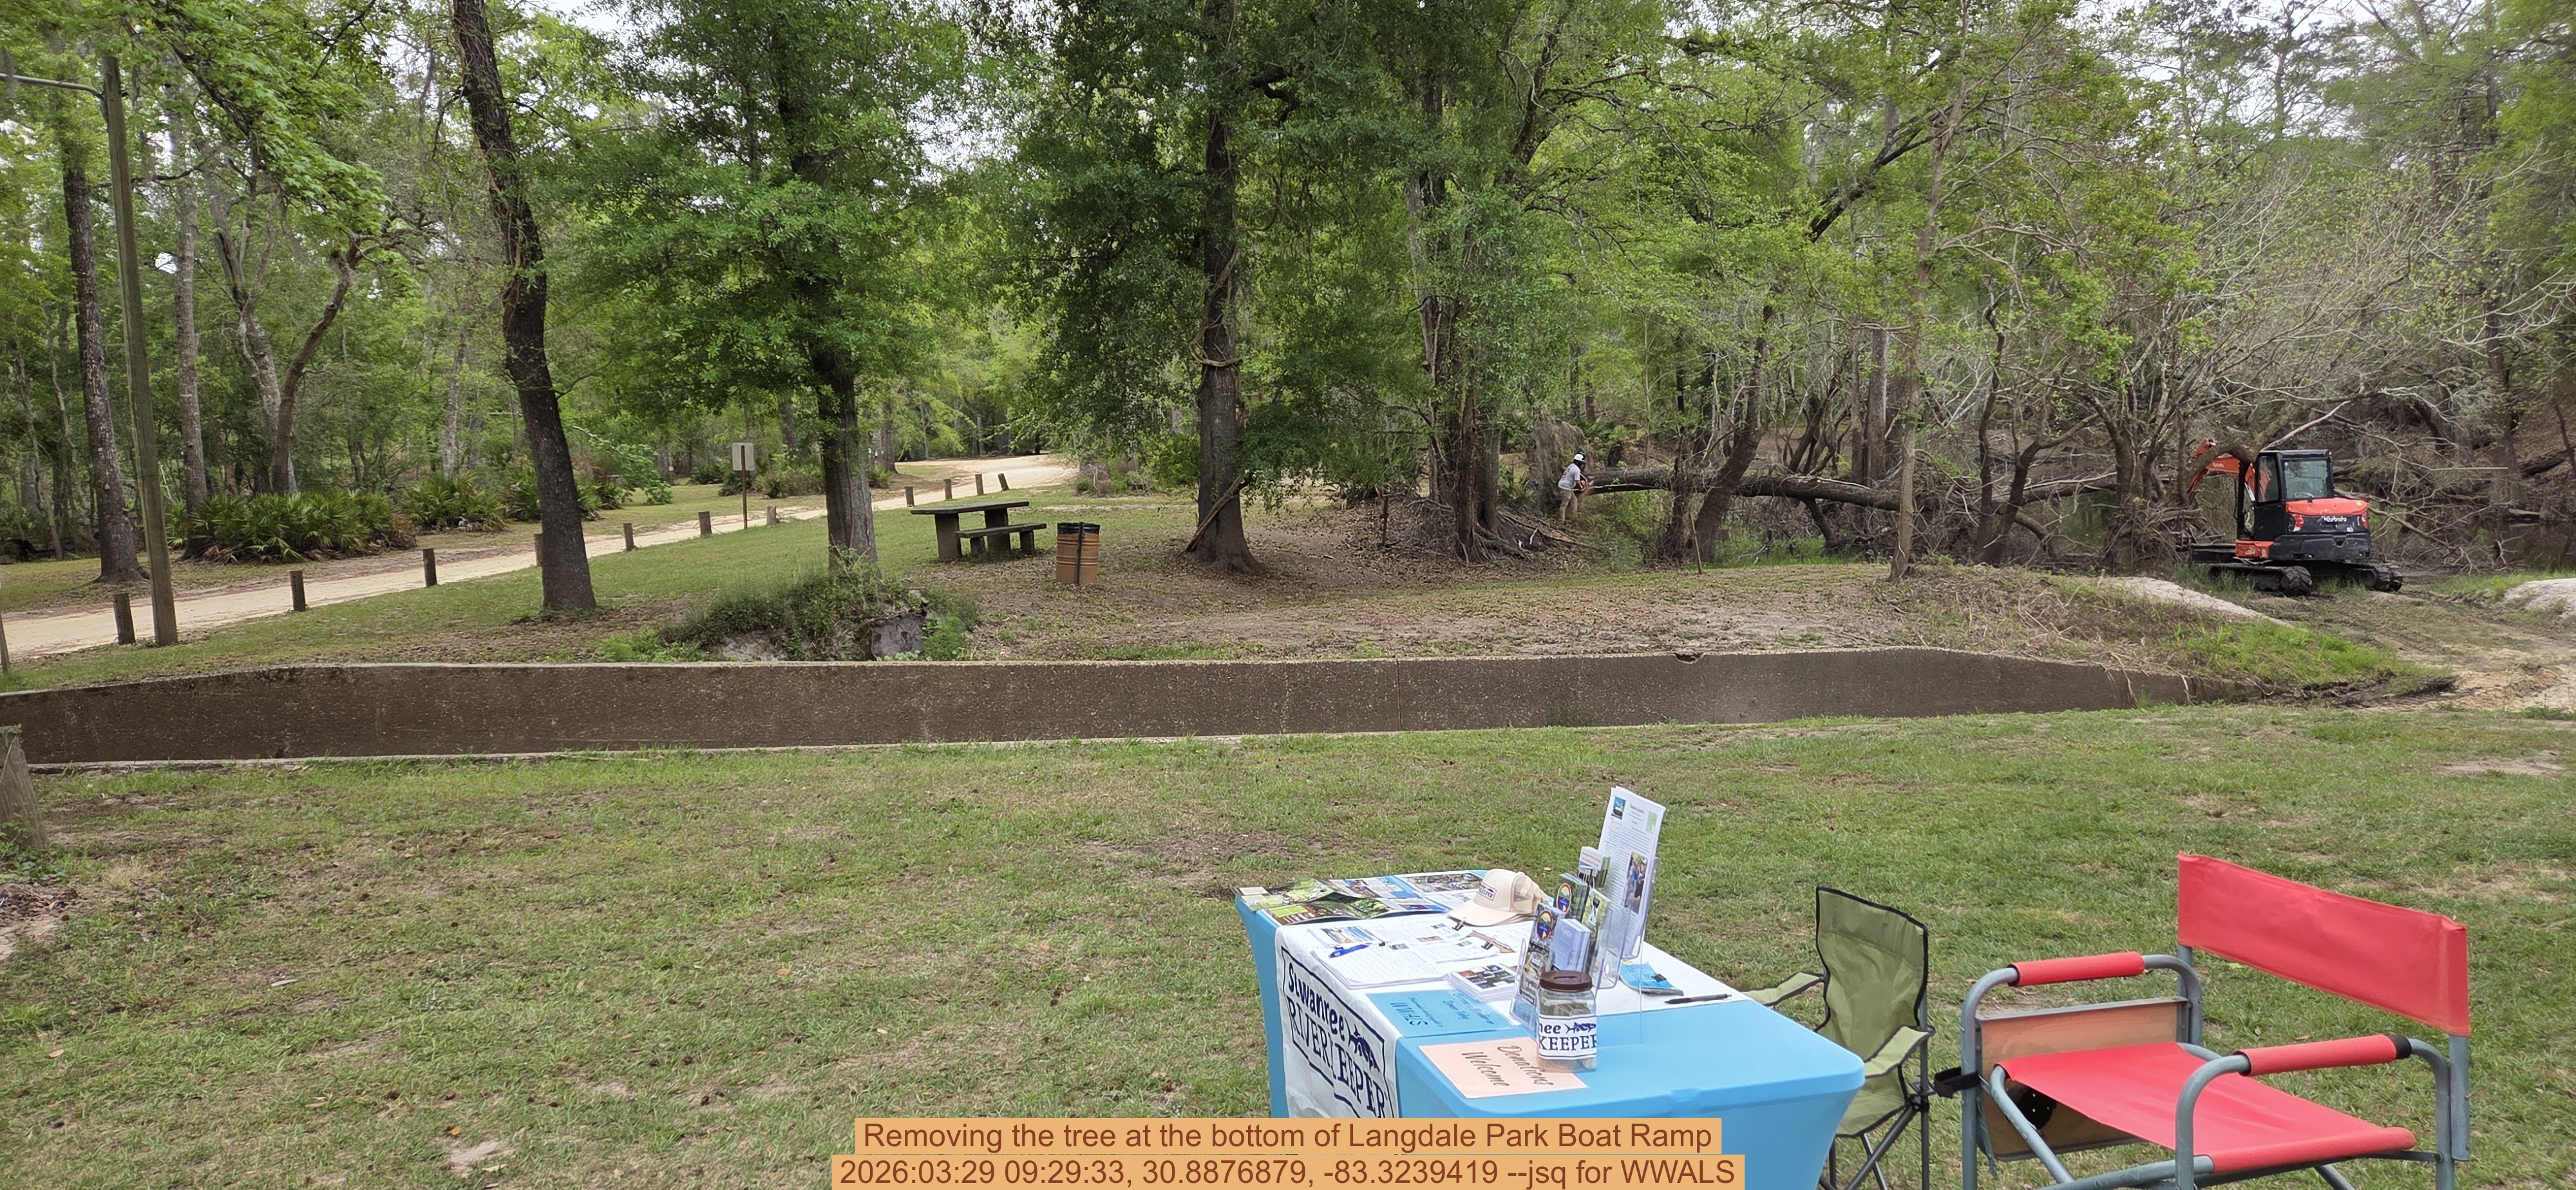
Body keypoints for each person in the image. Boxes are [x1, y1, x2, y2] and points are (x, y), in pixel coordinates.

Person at [1557, 452, 1591, 522]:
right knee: (1564, 504)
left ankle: (1573, 517)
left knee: (1574, 500)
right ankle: (1561, 521)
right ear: (1579, 462)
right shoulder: (1576, 469)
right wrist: (1581, 487)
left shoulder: (1572, 466)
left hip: (1564, 486)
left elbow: (1577, 475)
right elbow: (1577, 482)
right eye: (1581, 463)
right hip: (1566, 488)